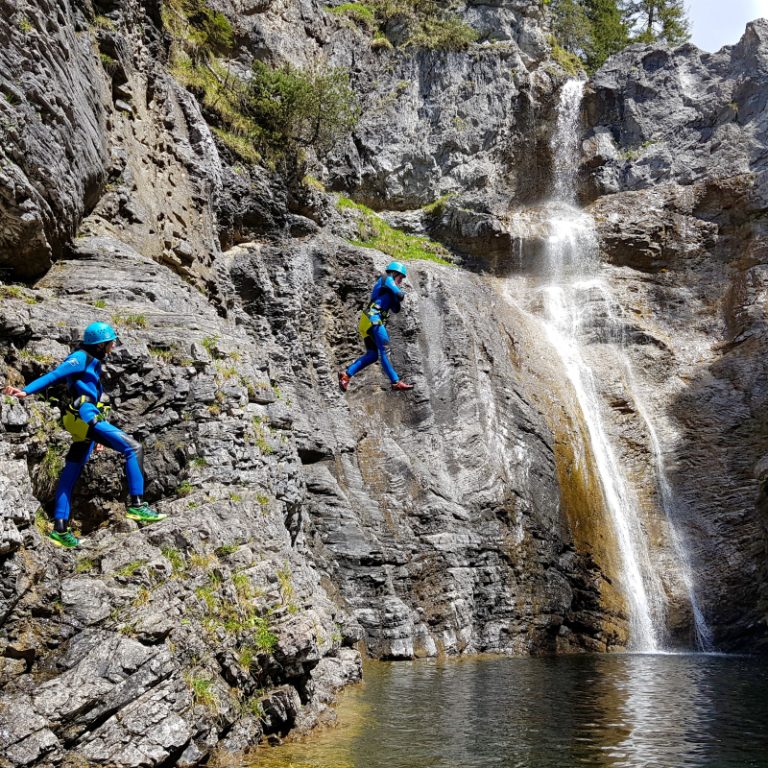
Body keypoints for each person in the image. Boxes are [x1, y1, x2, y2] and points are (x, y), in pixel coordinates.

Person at [2, 322, 166, 548]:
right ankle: (137, 505)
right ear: (99, 345)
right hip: (84, 418)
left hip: (83, 420)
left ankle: (60, 530)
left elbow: (91, 397)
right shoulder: (80, 358)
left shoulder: (93, 361)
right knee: (133, 447)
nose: (113, 346)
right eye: (110, 343)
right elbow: (55, 375)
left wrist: (99, 435)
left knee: (71, 472)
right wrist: (25, 391)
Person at [339, 261, 414, 392]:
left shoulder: (388, 289)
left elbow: (396, 308)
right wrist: (398, 294)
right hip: (373, 319)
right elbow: (399, 295)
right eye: (400, 278)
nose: (401, 281)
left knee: (373, 355)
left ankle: (346, 375)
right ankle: (395, 381)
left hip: (367, 321)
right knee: (384, 348)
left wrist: (395, 297)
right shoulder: (386, 279)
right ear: (394, 273)